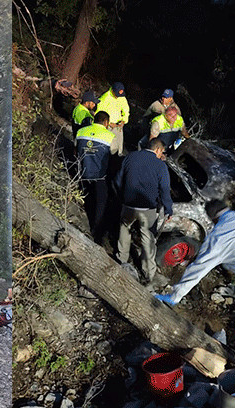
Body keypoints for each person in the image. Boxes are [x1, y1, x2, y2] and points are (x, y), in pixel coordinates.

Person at [156, 200, 235, 384]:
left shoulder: (219, 235)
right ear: (228, 209)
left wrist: (174, 295)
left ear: (212, 219)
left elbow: (198, 268)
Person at [114, 138, 173, 284]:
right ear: (158, 150)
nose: (162, 155)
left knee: (124, 230)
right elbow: (165, 190)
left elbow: (117, 180)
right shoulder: (160, 166)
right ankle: (148, 273)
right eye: (162, 152)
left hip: (128, 206)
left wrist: (121, 198)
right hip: (147, 209)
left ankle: (121, 260)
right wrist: (168, 209)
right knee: (147, 240)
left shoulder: (130, 157)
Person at [76, 111, 119, 244]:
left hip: (82, 174)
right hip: (100, 177)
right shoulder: (110, 136)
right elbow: (115, 156)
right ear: (106, 122)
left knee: (86, 199)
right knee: (100, 205)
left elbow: (75, 149)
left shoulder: (80, 132)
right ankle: (96, 233)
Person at [96, 82, 130, 156]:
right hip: (108, 126)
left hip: (118, 126)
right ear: (113, 91)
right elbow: (98, 114)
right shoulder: (105, 98)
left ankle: (118, 160)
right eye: (117, 95)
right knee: (111, 148)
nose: (118, 97)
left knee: (119, 148)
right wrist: (109, 123)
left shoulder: (122, 98)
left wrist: (124, 120)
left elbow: (126, 110)